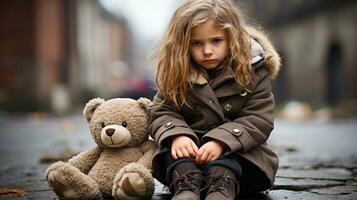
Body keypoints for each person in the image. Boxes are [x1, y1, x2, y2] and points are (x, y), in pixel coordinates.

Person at [148, 0, 281, 199]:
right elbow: (161, 110)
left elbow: (259, 118)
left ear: (231, 38)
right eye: (197, 43)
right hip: (189, 149)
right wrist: (177, 135)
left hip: (237, 153)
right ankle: (185, 185)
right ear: (184, 45)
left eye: (216, 41)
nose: (207, 50)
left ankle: (222, 186)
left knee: (226, 161)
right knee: (176, 156)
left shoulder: (253, 71)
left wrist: (222, 142)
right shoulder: (178, 72)